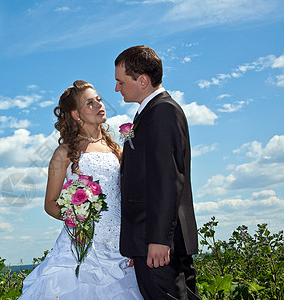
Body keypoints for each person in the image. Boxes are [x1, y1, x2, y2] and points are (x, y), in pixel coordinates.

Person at [19, 80, 143, 300]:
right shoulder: (64, 152)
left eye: (99, 100)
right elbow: (50, 203)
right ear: (76, 115)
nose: (98, 105)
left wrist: (132, 242)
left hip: (119, 247)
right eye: (89, 103)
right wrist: (77, 218)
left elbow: (127, 199)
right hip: (81, 244)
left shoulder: (117, 149)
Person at [115, 45, 200, 300]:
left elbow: (167, 178)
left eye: (120, 81)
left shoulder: (162, 112)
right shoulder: (150, 113)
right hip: (151, 238)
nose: (117, 88)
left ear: (142, 80)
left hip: (158, 241)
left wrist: (159, 239)